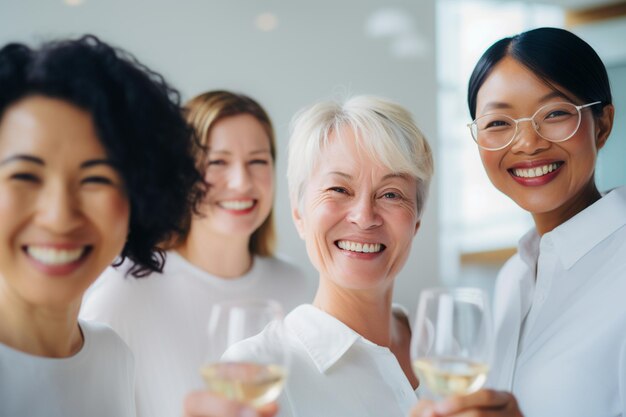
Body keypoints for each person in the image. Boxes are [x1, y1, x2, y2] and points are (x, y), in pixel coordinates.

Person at [413, 27, 625, 417]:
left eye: (555, 114)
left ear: (602, 124)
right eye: (498, 123)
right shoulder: (514, 276)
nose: (528, 143)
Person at [0, 35, 202, 417]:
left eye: (96, 179)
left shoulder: (113, 356)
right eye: (25, 175)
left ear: (139, 200)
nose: (59, 216)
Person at [80, 90, 314, 417]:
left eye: (258, 161)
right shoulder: (126, 290)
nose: (241, 182)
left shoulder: (293, 285)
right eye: (217, 162)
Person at [220, 95, 433, 417]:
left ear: (416, 222)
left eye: (391, 194)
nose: (364, 216)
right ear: (299, 214)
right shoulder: (256, 370)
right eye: (339, 190)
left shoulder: (449, 348)